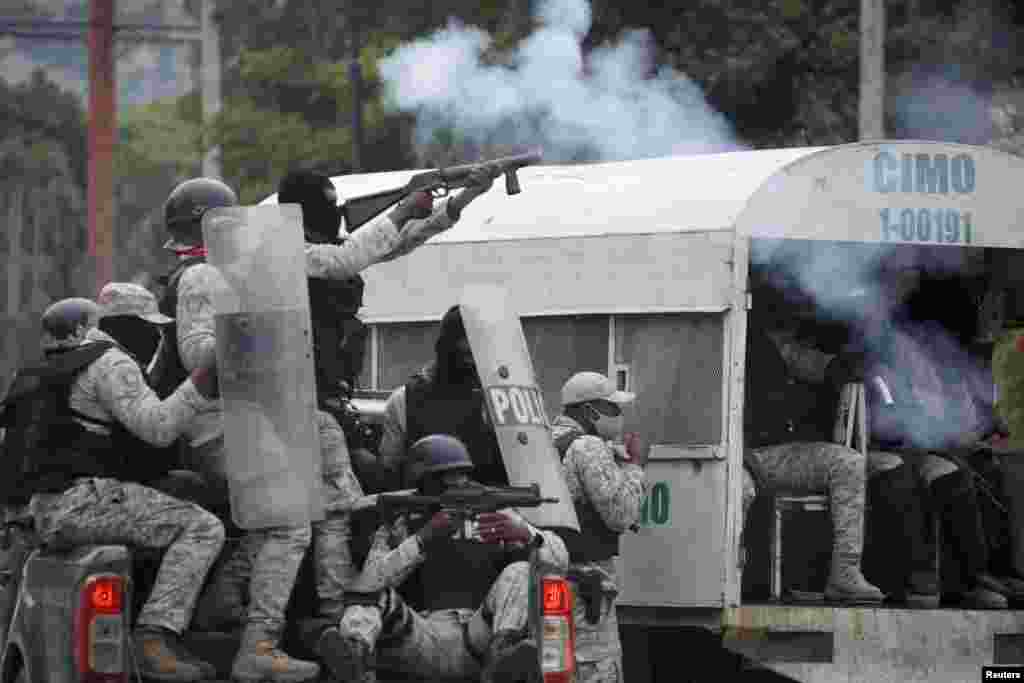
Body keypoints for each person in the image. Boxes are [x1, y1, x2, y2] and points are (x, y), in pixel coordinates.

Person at [155, 170, 496, 683]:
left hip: (270, 409)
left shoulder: (237, 268)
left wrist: (440, 207)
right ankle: (275, 633)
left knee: (324, 483)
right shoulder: (207, 277)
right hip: (227, 418)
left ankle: (310, 605)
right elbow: (199, 353)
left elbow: (354, 255)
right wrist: (252, 332)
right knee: (300, 513)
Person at [25, 297, 225, 682]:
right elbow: (160, 429)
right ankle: (154, 640)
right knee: (202, 527)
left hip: (47, 506)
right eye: (147, 326)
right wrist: (205, 377)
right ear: (121, 325)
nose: (153, 335)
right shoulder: (111, 362)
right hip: (83, 501)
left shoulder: (49, 368)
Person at [314, 434, 569, 683]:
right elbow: (367, 584)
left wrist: (526, 533)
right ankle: (354, 654)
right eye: (450, 476)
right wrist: (421, 540)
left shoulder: (495, 517)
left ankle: (505, 658)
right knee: (371, 593)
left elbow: (559, 560)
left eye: (464, 474)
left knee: (523, 572)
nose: (460, 482)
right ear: (426, 481)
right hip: (422, 636)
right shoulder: (403, 522)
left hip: (478, 635)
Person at [740, 271, 890, 605]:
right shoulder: (748, 342)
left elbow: (817, 365)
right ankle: (843, 576)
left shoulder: (777, 346)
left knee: (848, 462)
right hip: (752, 456)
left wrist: (852, 364)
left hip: (766, 454)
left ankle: (844, 575)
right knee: (847, 463)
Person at [551, 372, 646, 683]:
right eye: (613, 409)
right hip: (588, 583)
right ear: (590, 411)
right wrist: (635, 466)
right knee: (597, 669)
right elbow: (621, 514)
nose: (619, 417)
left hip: (552, 575)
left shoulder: (547, 440)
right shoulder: (587, 446)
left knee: (556, 667)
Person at [377, 305, 506, 488]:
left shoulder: (501, 398)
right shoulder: (403, 400)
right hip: (428, 512)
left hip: (499, 511)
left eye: (478, 344)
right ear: (445, 344)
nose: (470, 351)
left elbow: (529, 458)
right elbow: (390, 470)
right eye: (464, 342)